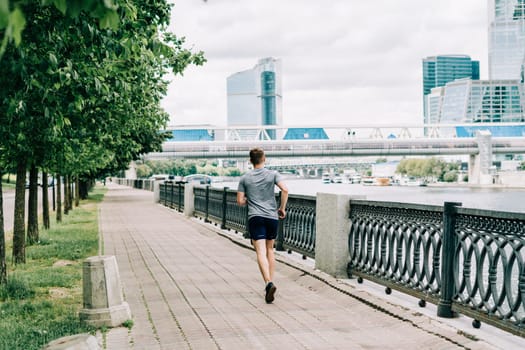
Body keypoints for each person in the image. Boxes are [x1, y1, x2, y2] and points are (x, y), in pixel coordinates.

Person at [237, 147, 288, 303]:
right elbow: (285, 190)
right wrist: (281, 208)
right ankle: (270, 282)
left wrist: (249, 200)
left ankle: (268, 283)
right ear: (264, 159)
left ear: (250, 161)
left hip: (255, 217)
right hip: (272, 217)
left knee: (260, 251)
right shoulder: (273, 174)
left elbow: (240, 201)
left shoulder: (245, 178)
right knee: (270, 250)